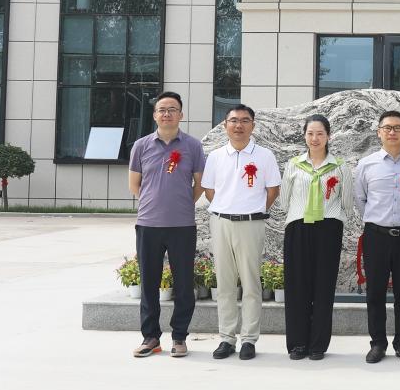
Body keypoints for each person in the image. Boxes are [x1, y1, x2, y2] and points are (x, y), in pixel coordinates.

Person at [127, 91, 206, 358]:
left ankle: (179, 337)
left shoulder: (192, 146)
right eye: (162, 109)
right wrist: (155, 203)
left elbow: (199, 184)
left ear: (181, 115)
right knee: (149, 283)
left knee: (183, 284)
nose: (167, 114)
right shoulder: (141, 146)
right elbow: (134, 185)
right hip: (148, 224)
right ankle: (150, 337)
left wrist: (181, 203)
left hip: (182, 225)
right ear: (154, 115)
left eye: (172, 109)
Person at [202, 104, 282, 361]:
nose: (239, 125)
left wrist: (252, 209)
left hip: (251, 223)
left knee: (250, 283)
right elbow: (209, 191)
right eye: (234, 120)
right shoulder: (216, 156)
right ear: (225, 125)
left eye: (245, 120)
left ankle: (249, 338)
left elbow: (273, 190)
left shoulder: (265, 156)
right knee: (225, 283)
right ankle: (226, 338)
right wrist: (227, 208)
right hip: (221, 222)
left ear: (253, 126)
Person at [279, 114, 352, 361]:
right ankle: (298, 343)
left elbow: (347, 203)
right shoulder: (293, 165)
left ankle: (318, 344)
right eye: (310, 133)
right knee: (297, 287)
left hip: (328, 229)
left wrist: (333, 219)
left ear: (328, 136)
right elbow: (284, 201)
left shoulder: (340, 166)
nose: (315, 138)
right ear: (304, 136)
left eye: (320, 133)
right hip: (298, 228)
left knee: (323, 286)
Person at [354, 110, 400, 364]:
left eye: (397, 128)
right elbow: (360, 199)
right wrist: (377, 220)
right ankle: (378, 343)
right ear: (379, 132)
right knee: (375, 291)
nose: (392, 132)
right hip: (377, 236)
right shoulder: (366, 164)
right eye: (387, 128)